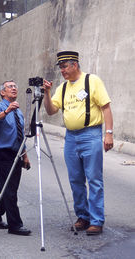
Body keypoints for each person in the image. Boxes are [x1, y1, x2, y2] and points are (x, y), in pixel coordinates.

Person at [43, 51, 114, 235]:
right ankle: (83, 216)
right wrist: (47, 93)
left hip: (91, 135)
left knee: (94, 179)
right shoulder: (63, 88)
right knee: (75, 179)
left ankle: (97, 220)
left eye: (65, 66)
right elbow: (51, 111)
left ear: (75, 64)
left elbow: (106, 107)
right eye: (60, 67)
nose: (62, 71)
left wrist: (109, 134)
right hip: (71, 138)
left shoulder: (92, 81)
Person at [0, 80, 31, 236]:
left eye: (15, 86)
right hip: (1, 154)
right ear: (2, 92)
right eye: (9, 87)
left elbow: (20, 135)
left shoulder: (18, 111)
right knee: (9, 191)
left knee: (8, 189)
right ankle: (15, 225)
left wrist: (25, 155)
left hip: (16, 153)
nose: (14, 88)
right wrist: (6, 112)